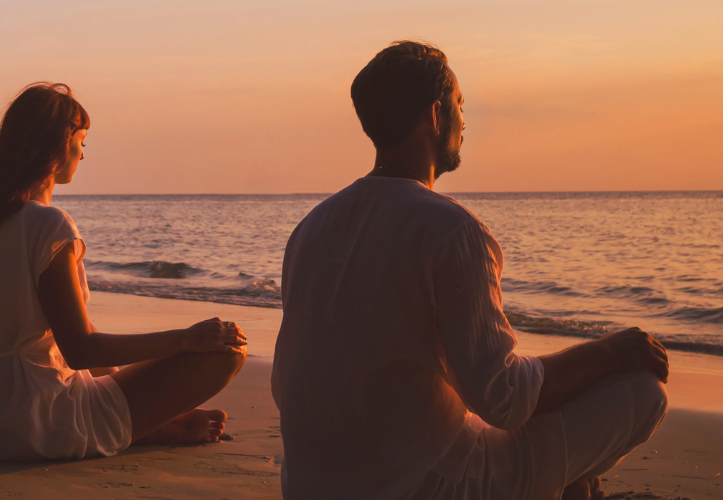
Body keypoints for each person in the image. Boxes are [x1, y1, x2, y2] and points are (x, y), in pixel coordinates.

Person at [272, 41, 672, 500]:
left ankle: (570, 483)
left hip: (309, 486)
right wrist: (609, 353)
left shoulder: (312, 227)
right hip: (419, 486)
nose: (465, 121)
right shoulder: (452, 229)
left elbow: (293, 385)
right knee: (644, 393)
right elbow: (502, 397)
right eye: (461, 106)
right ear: (436, 116)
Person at [0, 83, 248, 460]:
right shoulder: (49, 227)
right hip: (34, 424)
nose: (83, 155)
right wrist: (186, 338)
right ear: (58, 145)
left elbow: (64, 347)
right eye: (82, 141)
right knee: (227, 351)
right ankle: (144, 425)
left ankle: (144, 421)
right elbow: (80, 350)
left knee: (102, 380)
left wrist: (125, 384)